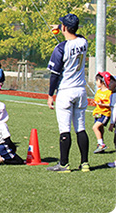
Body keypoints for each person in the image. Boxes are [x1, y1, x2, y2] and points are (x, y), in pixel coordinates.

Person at [46, 13, 90, 173]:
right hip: (81, 90)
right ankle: (85, 163)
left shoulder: (61, 48)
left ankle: (64, 164)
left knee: (65, 129)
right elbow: (77, 35)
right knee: (80, 127)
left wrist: (51, 95)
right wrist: (60, 28)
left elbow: (54, 75)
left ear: (64, 27)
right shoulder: (83, 42)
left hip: (66, 91)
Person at [0, 102, 24, 166]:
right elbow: (7, 140)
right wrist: (13, 147)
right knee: (19, 161)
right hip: (1, 147)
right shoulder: (2, 125)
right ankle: (1, 158)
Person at [92, 72, 113, 153]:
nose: (96, 82)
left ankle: (101, 144)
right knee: (100, 128)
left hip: (105, 113)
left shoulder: (109, 92)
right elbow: (97, 101)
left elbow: (111, 104)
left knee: (95, 127)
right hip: (98, 113)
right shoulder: (98, 91)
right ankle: (101, 144)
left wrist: (102, 104)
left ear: (102, 81)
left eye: (97, 81)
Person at [107, 76, 116, 168]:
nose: (109, 84)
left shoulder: (114, 96)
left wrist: (112, 123)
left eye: (112, 82)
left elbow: (115, 110)